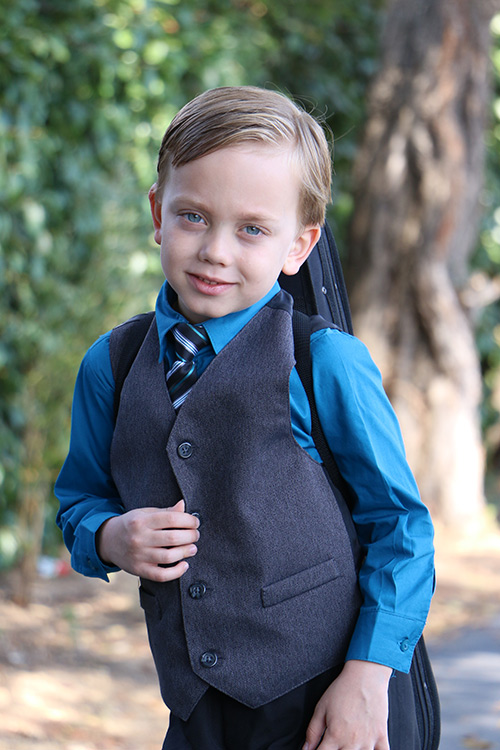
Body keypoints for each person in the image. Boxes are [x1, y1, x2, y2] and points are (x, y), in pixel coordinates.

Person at [55, 85, 435, 750]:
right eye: (193, 217)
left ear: (298, 246)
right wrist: (110, 537)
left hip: (321, 703)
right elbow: (80, 501)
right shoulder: (110, 365)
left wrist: (368, 676)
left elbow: (400, 525)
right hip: (195, 709)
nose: (216, 251)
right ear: (158, 212)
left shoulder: (323, 362)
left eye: (252, 229)